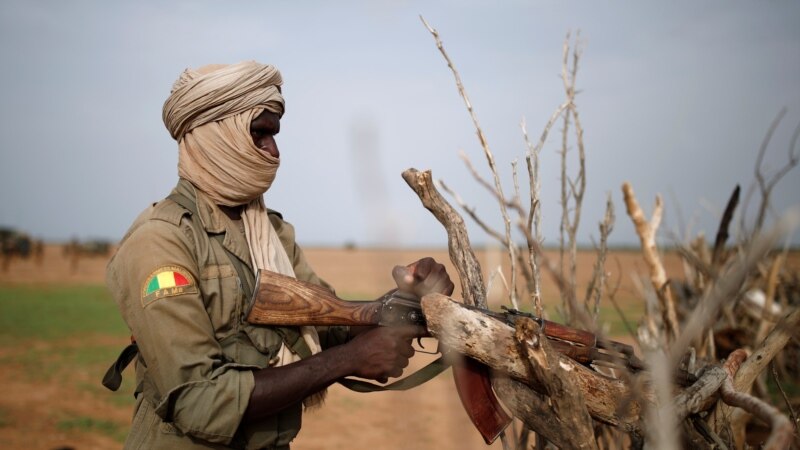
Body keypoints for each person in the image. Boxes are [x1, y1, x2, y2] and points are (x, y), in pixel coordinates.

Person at [105, 61, 454, 449]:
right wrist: (349, 360)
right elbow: (199, 401)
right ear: (217, 135)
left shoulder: (270, 231)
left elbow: (327, 326)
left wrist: (403, 303)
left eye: (275, 135)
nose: (274, 151)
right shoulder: (162, 240)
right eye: (260, 133)